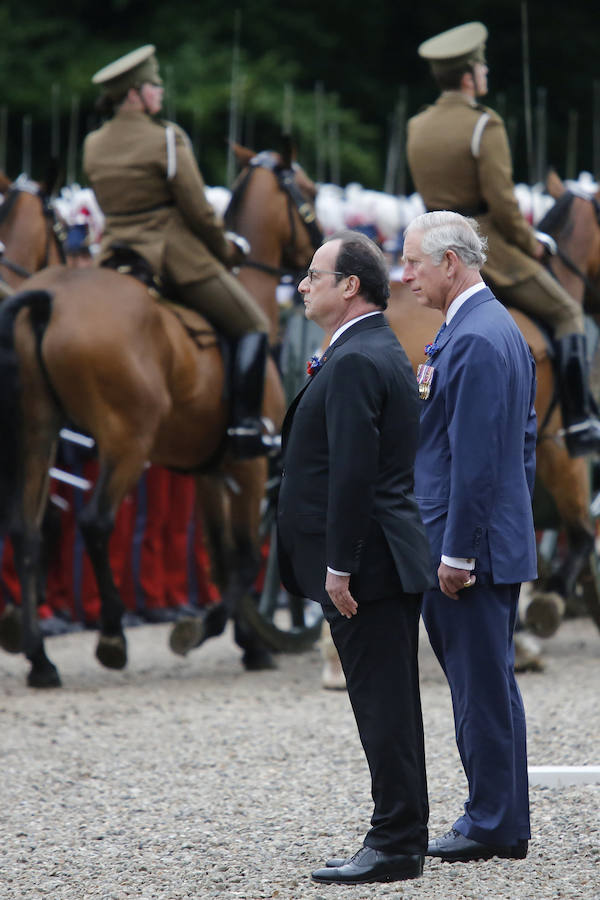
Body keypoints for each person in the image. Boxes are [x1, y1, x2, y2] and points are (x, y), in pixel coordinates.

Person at [277, 229, 434, 885]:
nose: (303, 284)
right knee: (388, 703)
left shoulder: (354, 359)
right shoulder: (370, 349)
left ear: (350, 286)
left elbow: (353, 473)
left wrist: (337, 565)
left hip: (365, 563)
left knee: (383, 707)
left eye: (315, 274)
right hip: (380, 555)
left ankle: (395, 842)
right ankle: (401, 836)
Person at [402, 211, 536, 862]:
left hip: (469, 549)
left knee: (480, 690)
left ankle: (490, 820)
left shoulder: (478, 337)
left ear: (450, 262)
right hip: (488, 535)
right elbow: (523, 445)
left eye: (413, 264)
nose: (405, 277)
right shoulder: (489, 327)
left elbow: (477, 457)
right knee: (489, 686)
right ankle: (501, 819)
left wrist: (458, 551)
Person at [406, 21, 600, 457]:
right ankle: (581, 420)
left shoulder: (417, 126)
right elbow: (502, 203)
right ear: (468, 76)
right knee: (568, 311)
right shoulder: (483, 125)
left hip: (432, 241)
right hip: (484, 246)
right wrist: (530, 241)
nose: (486, 73)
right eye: (482, 66)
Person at [83, 45, 271, 458]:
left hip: (114, 257)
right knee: (254, 324)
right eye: (155, 86)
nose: (161, 94)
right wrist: (225, 250)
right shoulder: (166, 139)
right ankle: (243, 428)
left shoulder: (93, 143)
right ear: (135, 93)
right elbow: (199, 211)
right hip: (171, 255)